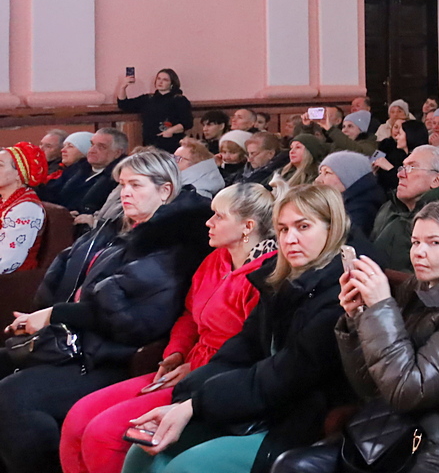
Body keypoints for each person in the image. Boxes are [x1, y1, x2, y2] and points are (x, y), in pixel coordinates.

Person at [121, 184, 362, 473]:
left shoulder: (342, 293)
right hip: (255, 405)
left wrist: (196, 405)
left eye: (303, 226)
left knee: (184, 467)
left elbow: (286, 375)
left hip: (299, 421)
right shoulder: (282, 278)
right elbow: (243, 346)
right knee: (140, 453)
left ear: (332, 229)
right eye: (283, 229)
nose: (290, 239)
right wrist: (188, 396)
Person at [0, 149, 211, 473]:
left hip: (112, 356)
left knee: (12, 397)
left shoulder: (174, 243)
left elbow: (133, 319)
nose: (126, 192)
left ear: (165, 190)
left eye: (136, 185)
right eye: (122, 184)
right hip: (71, 341)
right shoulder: (117, 228)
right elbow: (67, 267)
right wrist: (46, 314)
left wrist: (55, 314)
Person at [274, 201, 439, 473]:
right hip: (399, 423)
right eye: (415, 242)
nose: (419, 252)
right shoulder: (418, 288)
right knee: (291, 464)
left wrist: (380, 309)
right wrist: (359, 317)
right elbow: (370, 386)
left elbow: (408, 391)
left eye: (434, 243)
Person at [59, 184, 277, 473]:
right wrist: (176, 353)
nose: (208, 222)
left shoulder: (267, 275)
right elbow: (189, 315)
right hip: (186, 365)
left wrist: (196, 368)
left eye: (219, 216)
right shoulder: (216, 259)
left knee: (104, 434)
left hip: (217, 379)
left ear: (247, 226)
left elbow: (250, 350)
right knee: (78, 418)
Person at [371, 145, 439, 271]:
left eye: (411, 168)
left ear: (436, 180)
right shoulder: (389, 206)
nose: (400, 174)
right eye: (403, 167)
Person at [0, 142, 50, 274]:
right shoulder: (5, 201)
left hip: (12, 280)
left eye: (0, 165)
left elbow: (8, 260)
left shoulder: (26, 209)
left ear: (19, 174)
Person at [116, 69, 194, 153]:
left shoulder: (179, 100)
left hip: (171, 143)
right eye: (158, 79)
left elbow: (187, 122)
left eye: (165, 80)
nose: (160, 82)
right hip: (150, 144)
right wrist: (123, 87)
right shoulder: (148, 99)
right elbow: (124, 104)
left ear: (172, 83)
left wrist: (170, 131)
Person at [60, 129, 127, 217]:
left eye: (101, 147)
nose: (92, 150)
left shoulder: (121, 177)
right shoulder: (78, 167)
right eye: (92, 144)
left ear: (117, 153)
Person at [316, 150, 387, 232]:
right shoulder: (349, 201)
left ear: (349, 177)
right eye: (320, 173)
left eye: (327, 172)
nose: (318, 180)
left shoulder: (361, 211)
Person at [38, 131, 92, 203]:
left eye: (70, 146)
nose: (63, 150)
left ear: (85, 150)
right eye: (64, 146)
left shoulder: (82, 172)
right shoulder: (69, 170)